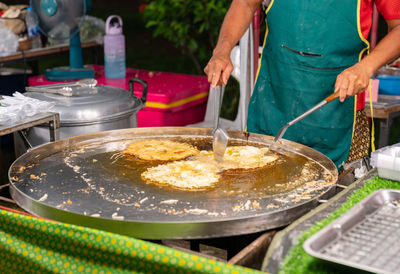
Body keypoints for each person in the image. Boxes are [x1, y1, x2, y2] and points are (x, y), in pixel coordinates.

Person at [204, 0, 400, 168]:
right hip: (272, 102)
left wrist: (366, 67)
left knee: (333, 203)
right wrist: (222, 50)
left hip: (338, 114)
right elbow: (245, 4)